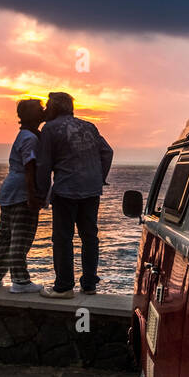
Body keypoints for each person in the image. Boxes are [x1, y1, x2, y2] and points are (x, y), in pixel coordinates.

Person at [34, 91, 114, 297]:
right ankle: (89, 284)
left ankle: (64, 286)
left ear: (53, 107)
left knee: (62, 238)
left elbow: (43, 164)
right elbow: (107, 152)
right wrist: (99, 177)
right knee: (89, 237)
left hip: (66, 190)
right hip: (91, 190)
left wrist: (41, 194)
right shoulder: (89, 126)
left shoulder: (50, 129)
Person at [0, 98, 46, 292]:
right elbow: (30, 167)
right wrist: (32, 195)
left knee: (4, 236)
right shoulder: (31, 138)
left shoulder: (25, 135)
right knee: (21, 236)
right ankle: (20, 280)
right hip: (21, 192)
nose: (43, 111)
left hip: (11, 190)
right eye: (39, 109)